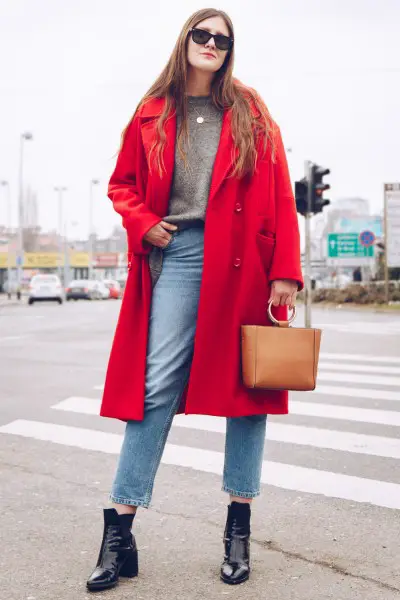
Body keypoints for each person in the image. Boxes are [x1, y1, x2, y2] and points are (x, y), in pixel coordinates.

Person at [86, 7, 303, 592]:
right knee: (155, 386)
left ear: (231, 50)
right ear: (185, 41)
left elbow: (281, 188)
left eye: (222, 39)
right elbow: (122, 184)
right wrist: (145, 223)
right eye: (202, 35)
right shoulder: (153, 110)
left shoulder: (251, 109)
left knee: (248, 390)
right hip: (179, 255)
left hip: (246, 261)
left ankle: (238, 528)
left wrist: (285, 269)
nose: (211, 44)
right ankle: (119, 530)